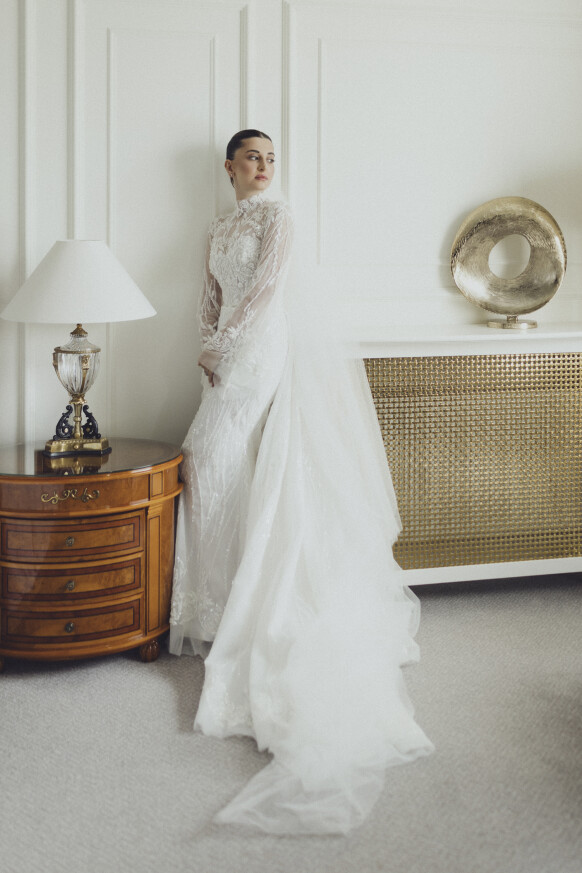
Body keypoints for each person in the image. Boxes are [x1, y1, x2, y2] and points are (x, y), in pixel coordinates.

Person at [169, 129, 433, 834]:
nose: (263, 166)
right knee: (212, 461)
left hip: (259, 347)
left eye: (270, 158)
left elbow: (264, 290)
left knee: (210, 451)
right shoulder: (218, 226)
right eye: (251, 157)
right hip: (223, 350)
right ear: (229, 167)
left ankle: (235, 601)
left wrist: (227, 345)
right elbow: (211, 293)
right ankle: (216, 600)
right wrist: (205, 341)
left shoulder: (278, 217)